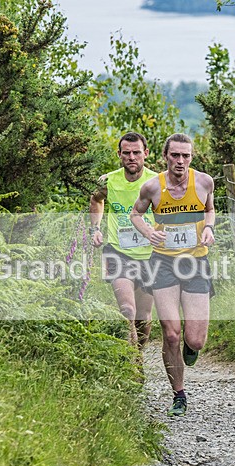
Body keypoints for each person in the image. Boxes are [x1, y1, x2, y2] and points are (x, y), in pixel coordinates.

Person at [130, 133, 215, 416]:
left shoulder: (203, 182)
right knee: (171, 333)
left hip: (195, 263)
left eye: (186, 156)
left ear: (192, 157)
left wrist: (208, 228)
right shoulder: (152, 187)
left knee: (195, 339)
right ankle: (178, 394)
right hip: (163, 264)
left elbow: (210, 209)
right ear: (165, 157)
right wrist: (149, 232)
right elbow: (136, 215)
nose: (180, 161)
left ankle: (193, 347)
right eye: (175, 155)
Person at [90, 132, 158, 350]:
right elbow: (96, 200)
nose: (131, 157)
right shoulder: (108, 181)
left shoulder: (157, 182)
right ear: (119, 155)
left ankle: (138, 354)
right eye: (126, 153)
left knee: (143, 316)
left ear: (145, 154)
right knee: (127, 310)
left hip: (150, 255)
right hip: (118, 252)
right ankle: (132, 363)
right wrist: (96, 229)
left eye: (136, 153)